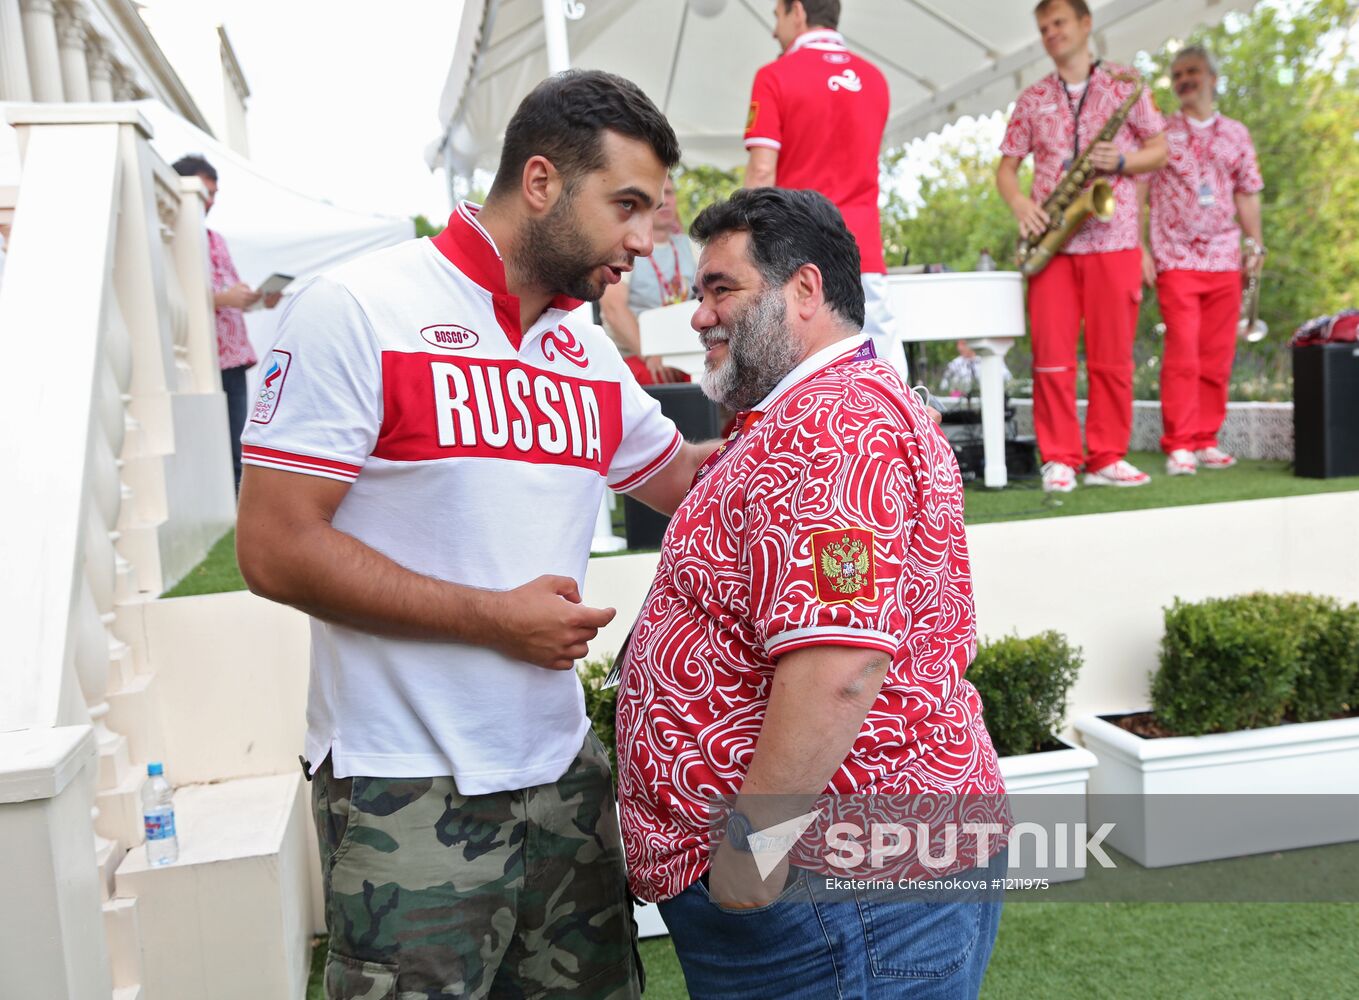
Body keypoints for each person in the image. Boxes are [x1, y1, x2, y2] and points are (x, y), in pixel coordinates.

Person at [235, 70, 722, 999]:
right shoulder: (356, 308)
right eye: (627, 205)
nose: (643, 239)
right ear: (540, 182)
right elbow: (275, 546)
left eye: (651, 211)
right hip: (401, 786)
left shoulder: (582, 347)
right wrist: (493, 620)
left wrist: (813, 405)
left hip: (563, 773)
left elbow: (681, 481)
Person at [615, 188, 1006, 998]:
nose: (698, 316)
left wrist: (749, 856)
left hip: (832, 887)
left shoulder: (834, 425)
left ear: (803, 288)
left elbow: (841, 663)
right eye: (698, 294)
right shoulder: (802, 417)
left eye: (721, 288)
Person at [996, 0, 1167, 492]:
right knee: (1051, 356)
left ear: (1085, 24)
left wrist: (1123, 161)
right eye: (1044, 28)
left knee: (1112, 357)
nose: (1052, 33)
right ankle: (1060, 458)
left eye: (1059, 23)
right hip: (1053, 241)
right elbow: (1006, 169)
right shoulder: (1031, 98)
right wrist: (1021, 207)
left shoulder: (1125, 83)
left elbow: (1160, 148)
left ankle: (1108, 455)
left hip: (1114, 240)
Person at [743, 0, 910, 381]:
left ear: (797, 11)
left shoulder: (774, 76)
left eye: (777, 17)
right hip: (864, 252)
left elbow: (762, 170)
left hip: (798, 255)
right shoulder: (875, 79)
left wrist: (744, 247)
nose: (774, 31)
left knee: (803, 379)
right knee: (887, 376)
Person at [1140, 44, 1264, 476]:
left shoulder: (1237, 133)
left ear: (1211, 77)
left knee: (1216, 355)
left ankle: (1206, 439)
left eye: (1192, 72)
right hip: (1175, 257)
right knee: (1183, 354)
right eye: (1177, 75)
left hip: (1226, 258)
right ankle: (1178, 444)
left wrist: (1256, 245)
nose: (1184, 80)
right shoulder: (1161, 132)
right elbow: (1139, 192)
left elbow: (1247, 191)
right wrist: (1141, 248)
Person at [171, 155, 281, 492]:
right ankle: (232, 501)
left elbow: (229, 295)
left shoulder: (215, 238)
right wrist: (224, 299)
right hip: (199, 355)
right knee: (214, 438)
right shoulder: (171, 233)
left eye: (214, 193)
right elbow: (176, 293)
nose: (211, 201)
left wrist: (259, 300)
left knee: (238, 436)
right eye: (206, 192)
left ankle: (239, 501)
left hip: (233, 353)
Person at [600, 174, 694, 384]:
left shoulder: (693, 248)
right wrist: (650, 354)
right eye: (658, 195)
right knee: (652, 376)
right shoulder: (625, 247)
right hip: (639, 355)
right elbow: (613, 309)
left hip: (687, 351)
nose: (666, 201)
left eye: (669, 193)